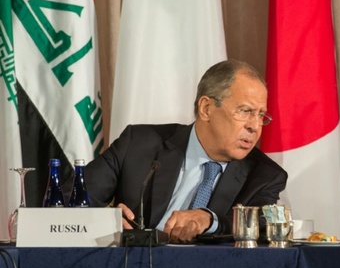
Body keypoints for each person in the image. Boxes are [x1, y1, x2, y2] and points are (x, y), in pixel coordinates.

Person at [76, 59, 287, 243]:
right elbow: (69, 201)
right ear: (206, 108)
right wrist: (103, 221)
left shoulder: (265, 175)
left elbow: (261, 221)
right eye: (245, 111)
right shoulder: (139, 144)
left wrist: (209, 219)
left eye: (261, 115)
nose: (255, 126)